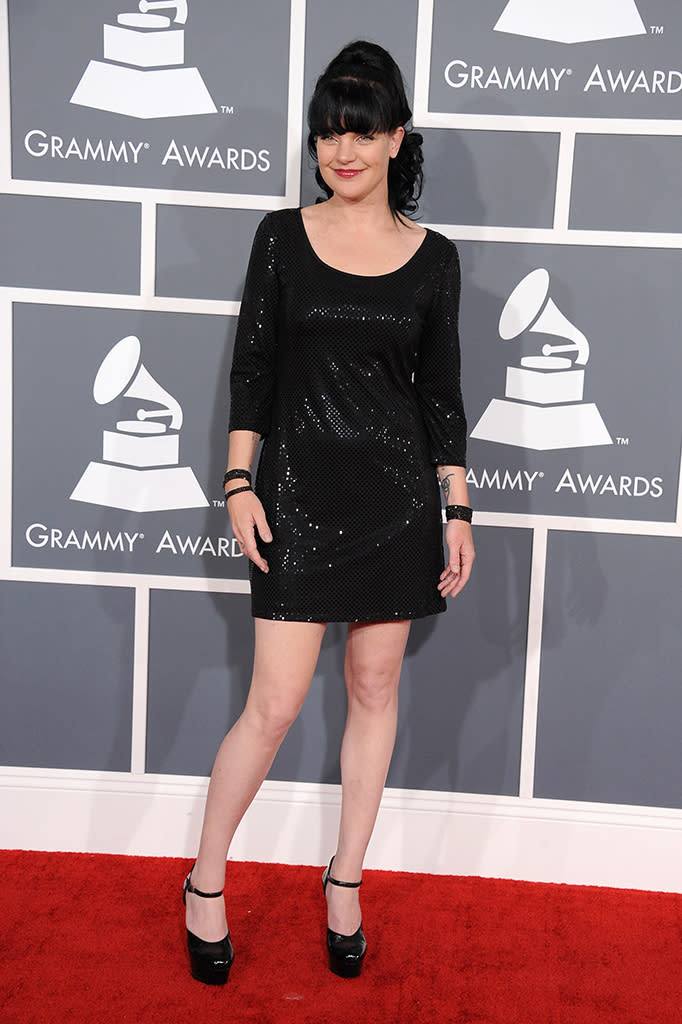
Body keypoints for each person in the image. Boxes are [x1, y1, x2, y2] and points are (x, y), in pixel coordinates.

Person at [182, 39, 475, 985]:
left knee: (375, 690)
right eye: (326, 134)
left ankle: (345, 879)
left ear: (397, 139)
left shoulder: (436, 260)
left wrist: (456, 506)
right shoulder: (280, 236)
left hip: (395, 504)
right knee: (269, 706)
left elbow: (439, 395)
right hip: (298, 500)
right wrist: (238, 485)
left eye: (360, 132)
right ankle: (206, 881)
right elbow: (255, 372)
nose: (341, 151)